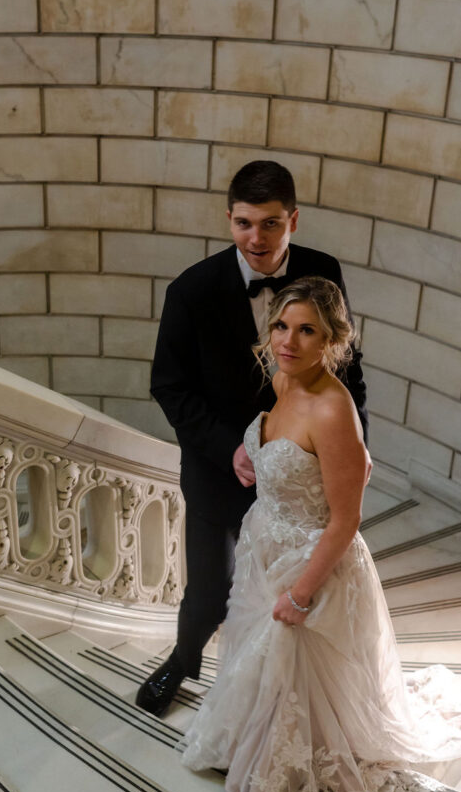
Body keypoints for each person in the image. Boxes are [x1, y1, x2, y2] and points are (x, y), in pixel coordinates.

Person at [180, 277, 461, 792]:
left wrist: (302, 593)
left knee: (291, 668)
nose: (289, 341)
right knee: (258, 664)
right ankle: (252, 751)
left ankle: (274, 777)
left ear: (332, 340)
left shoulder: (333, 408)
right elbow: (298, 459)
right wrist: (252, 456)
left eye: (307, 330)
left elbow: (346, 518)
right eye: (282, 326)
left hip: (311, 567)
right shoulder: (286, 383)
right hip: (265, 547)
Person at [136, 160, 368, 717]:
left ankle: (290, 697)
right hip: (223, 470)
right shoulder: (191, 291)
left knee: (291, 587)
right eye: (243, 223)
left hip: (298, 474)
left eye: (269, 223)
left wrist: (351, 445)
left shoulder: (323, 270)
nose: (255, 238)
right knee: (211, 591)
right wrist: (229, 448)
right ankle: (183, 659)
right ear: (228, 219)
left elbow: (347, 366)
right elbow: (169, 387)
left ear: (293, 220)